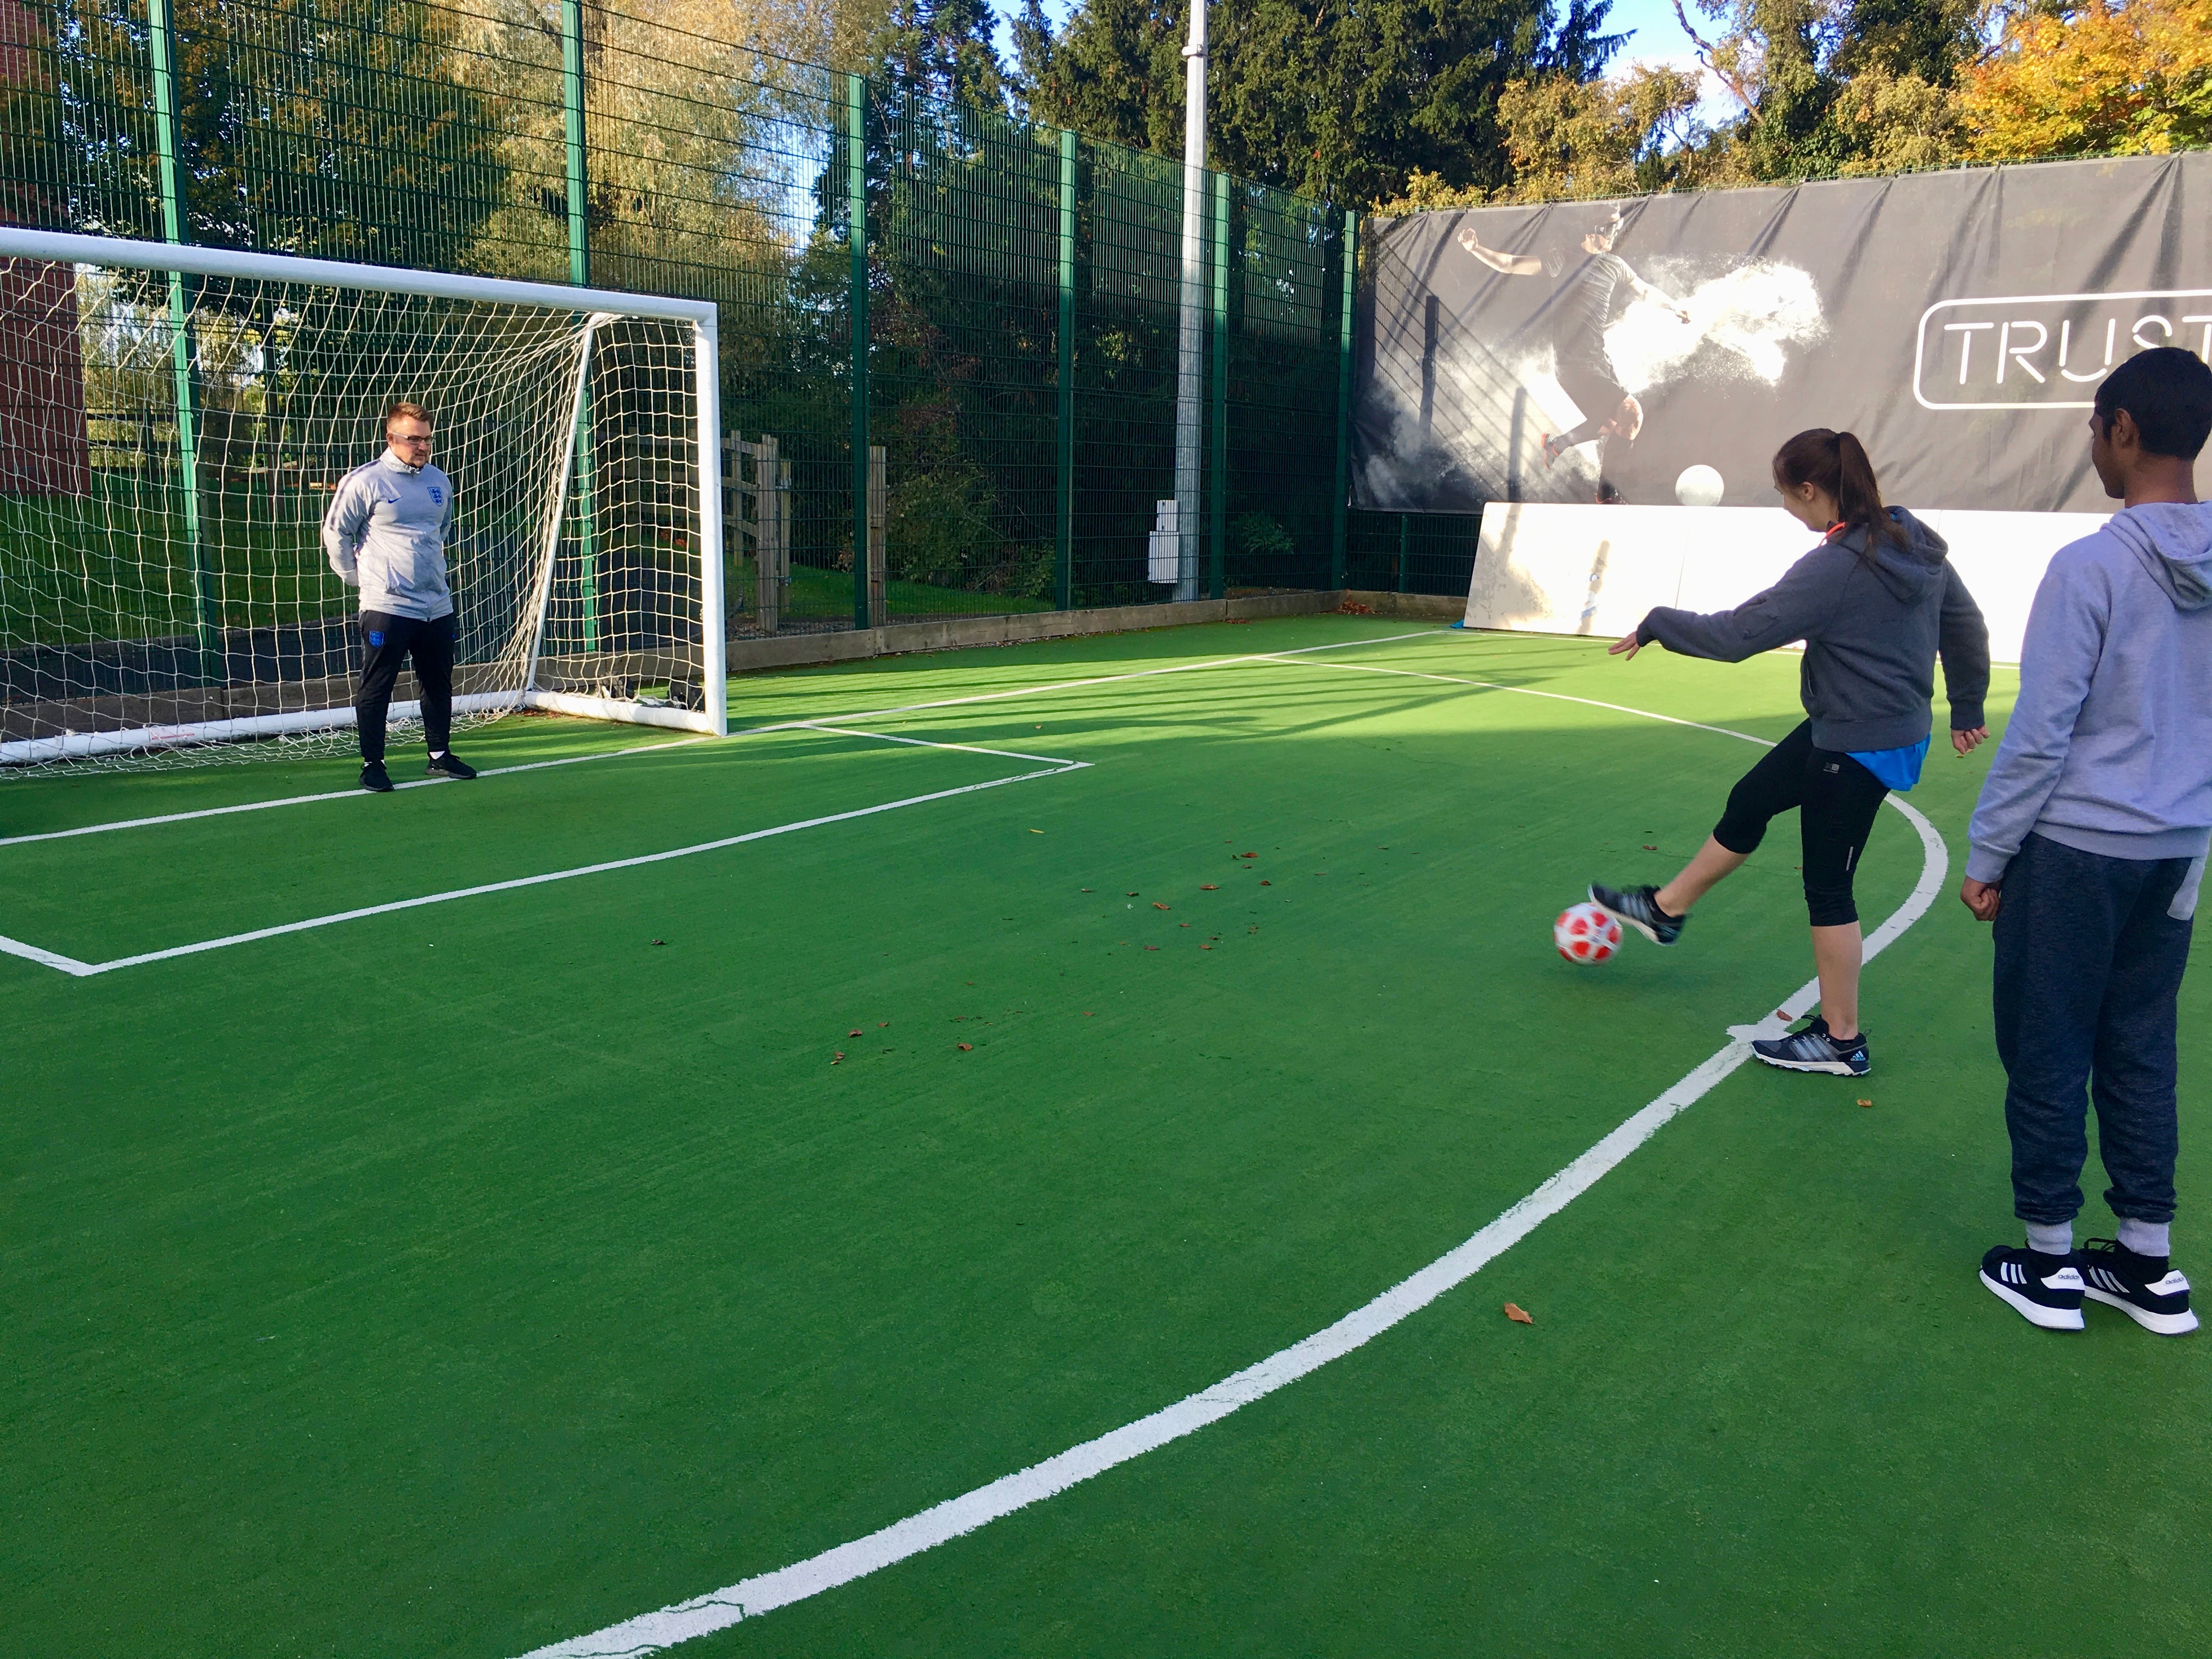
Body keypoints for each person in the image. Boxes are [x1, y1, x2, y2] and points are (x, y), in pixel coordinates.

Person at [1590, 429, 1991, 1077]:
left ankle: (1842, 1041)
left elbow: (1740, 635)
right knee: (1752, 799)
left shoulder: (1836, 568)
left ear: (1811, 490)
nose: (1785, 508)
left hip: (1864, 741)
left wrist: (1661, 621)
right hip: (1852, 723)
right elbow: (1965, 622)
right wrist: (1967, 703)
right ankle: (1667, 910)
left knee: (1828, 887)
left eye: (1786, 495)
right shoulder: (1909, 540)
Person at [1961, 346, 2212, 1337]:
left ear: (2120, 429)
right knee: (2142, 1041)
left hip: (2074, 850)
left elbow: (2041, 731)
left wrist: (1988, 856)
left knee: (2048, 1042)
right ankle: (2147, 1265)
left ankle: (2050, 1260)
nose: (2092, 447)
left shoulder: (2090, 566)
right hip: (2178, 852)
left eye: (2093, 428)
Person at [1458, 205, 1690, 502]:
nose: (1614, 234)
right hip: (1572, 363)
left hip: (1599, 360)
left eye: (1618, 228)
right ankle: (1607, 496)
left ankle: (1556, 445)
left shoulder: (1614, 265)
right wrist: (1476, 248)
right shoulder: (1562, 259)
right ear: (1592, 229)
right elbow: (1512, 263)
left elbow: (1644, 291)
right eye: (1609, 228)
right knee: (1631, 414)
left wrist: (1674, 307)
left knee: (1611, 427)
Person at [323, 400, 477, 793]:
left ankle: (439, 756)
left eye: (427, 439)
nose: (423, 446)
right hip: (387, 606)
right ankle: (373, 763)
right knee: (378, 685)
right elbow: (335, 533)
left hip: (436, 604)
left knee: (438, 682)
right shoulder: (364, 481)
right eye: (414, 439)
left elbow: (439, 532)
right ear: (391, 438)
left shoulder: (439, 481)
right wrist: (359, 579)